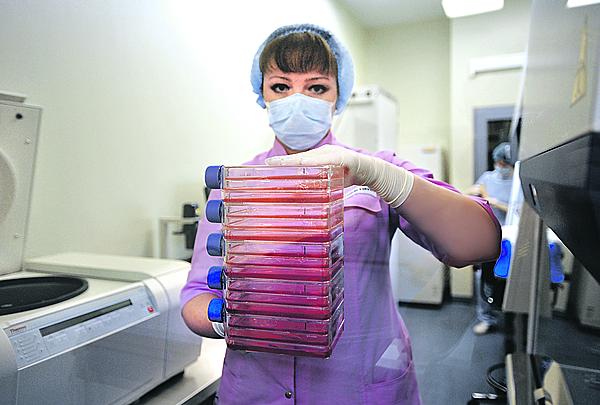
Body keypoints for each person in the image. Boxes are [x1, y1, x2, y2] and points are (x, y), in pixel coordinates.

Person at [181, 24, 501, 404]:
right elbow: (196, 296)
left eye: (316, 87)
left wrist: (378, 176)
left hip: (357, 387)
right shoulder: (234, 184)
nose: (297, 99)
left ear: (338, 96)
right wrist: (231, 319)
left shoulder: (377, 171)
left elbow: (479, 243)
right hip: (254, 389)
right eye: (281, 86)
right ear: (262, 95)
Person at [467, 142, 514, 335]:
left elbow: (520, 210)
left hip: (510, 238)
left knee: (510, 279)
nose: (501, 166)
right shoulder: (487, 178)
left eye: (505, 163)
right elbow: (470, 196)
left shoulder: (518, 182)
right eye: (499, 162)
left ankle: (513, 319)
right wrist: (470, 193)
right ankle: (486, 318)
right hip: (488, 236)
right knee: (483, 277)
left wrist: (495, 202)